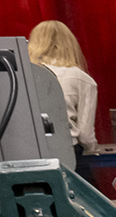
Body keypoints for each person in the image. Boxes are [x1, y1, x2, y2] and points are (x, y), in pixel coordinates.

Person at [26, 20, 98, 157]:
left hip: (29, 150)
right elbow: (86, 136)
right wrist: (93, 149)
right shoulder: (82, 79)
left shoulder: (22, 75)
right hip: (67, 149)